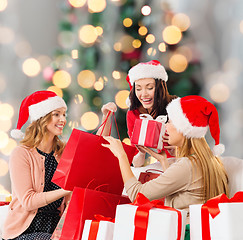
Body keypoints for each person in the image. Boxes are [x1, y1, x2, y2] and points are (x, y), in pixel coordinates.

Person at [102, 95, 229, 238]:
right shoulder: (209, 161)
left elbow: (137, 195)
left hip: (181, 233)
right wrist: (163, 161)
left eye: (170, 121)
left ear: (183, 129)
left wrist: (122, 156)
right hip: (198, 231)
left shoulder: (187, 165)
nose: (165, 126)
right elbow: (184, 191)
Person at [2, 91, 72, 240]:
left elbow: (91, 150)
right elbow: (28, 201)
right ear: (43, 118)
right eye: (57, 114)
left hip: (55, 230)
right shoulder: (21, 154)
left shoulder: (63, 152)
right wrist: (65, 190)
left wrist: (106, 117)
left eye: (64, 114)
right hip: (22, 233)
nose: (63, 119)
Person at [125, 60, 177, 167]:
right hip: (157, 168)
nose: (143, 94)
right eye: (138, 89)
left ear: (160, 88)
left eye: (149, 88)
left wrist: (176, 150)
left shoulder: (175, 108)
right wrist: (141, 152)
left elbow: (193, 151)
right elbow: (136, 163)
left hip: (179, 166)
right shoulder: (133, 114)